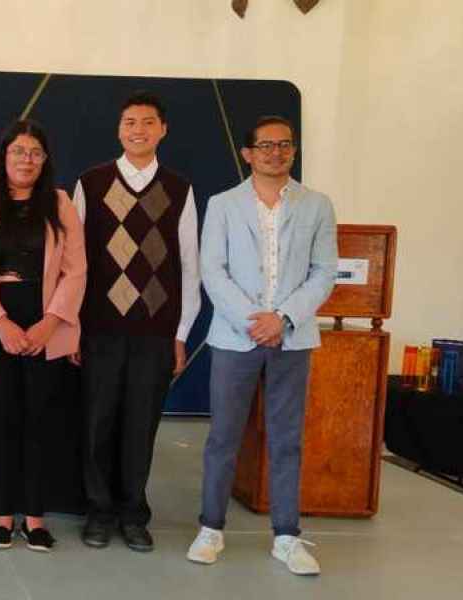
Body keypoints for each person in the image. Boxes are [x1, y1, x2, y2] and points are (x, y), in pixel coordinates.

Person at [186, 115, 336, 576]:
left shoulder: (317, 205)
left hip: (292, 338)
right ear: (248, 154)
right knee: (223, 437)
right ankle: (211, 528)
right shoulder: (223, 204)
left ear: (294, 150)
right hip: (236, 336)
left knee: (287, 439)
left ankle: (286, 537)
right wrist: (254, 321)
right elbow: (213, 269)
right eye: (266, 146)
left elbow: (324, 272)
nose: (276, 153)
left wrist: (283, 318)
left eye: (284, 145)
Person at [70, 91, 201, 552]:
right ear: (118, 129)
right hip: (99, 329)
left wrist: (180, 335)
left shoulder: (180, 189)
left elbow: (189, 266)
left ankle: (133, 514)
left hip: (155, 332)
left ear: (163, 130)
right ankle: (98, 511)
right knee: (97, 423)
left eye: (147, 122)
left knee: (141, 426)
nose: (138, 130)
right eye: (129, 122)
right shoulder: (91, 183)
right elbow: (75, 264)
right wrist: (73, 327)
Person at [0, 120, 86, 552]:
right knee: (0, 422)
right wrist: (1, 323)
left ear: (45, 160)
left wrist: (50, 323)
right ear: (4, 157)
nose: (26, 160)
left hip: (46, 324)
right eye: (18, 151)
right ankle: (1, 516)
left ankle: (34, 519)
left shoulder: (61, 204)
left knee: (40, 423)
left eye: (34, 152)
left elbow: (76, 269)